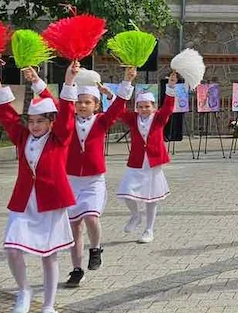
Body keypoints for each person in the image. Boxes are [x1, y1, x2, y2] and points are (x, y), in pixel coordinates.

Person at [0, 61, 79, 313]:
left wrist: (69, 81)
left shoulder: (60, 138)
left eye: (41, 121)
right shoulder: (22, 137)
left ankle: (49, 308)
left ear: (51, 122)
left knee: (48, 256)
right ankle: (24, 289)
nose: (35, 125)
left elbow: (66, 114)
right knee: (12, 249)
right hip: (24, 201)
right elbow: (6, 116)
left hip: (51, 202)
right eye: (31, 120)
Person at [61, 66, 136, 287]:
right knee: (74, 227)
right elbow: (61, 104)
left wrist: (127, 81)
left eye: (87, 102)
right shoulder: (67, 122)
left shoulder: (102, 121)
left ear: (96, 105)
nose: (82, 106)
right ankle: (76, 269)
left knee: (92, 218)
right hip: (71, 181)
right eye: (79, 102)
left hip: (94, 181)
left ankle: (96, 249)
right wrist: (68, 79)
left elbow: (119, 107)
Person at [115, 72, 179, 243]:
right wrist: (123, 85)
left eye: (147, 106)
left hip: (153, 162)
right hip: (135, 161)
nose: (144, 110)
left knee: (152, 198)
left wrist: (171, 86)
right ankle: (135, 216)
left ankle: (149, 230)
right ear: (136, 107)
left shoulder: (159, 118)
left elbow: (168, 107)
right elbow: (119, 110)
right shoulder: (132, 118)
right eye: (140, 106)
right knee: (126, 193)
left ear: (153, 106)